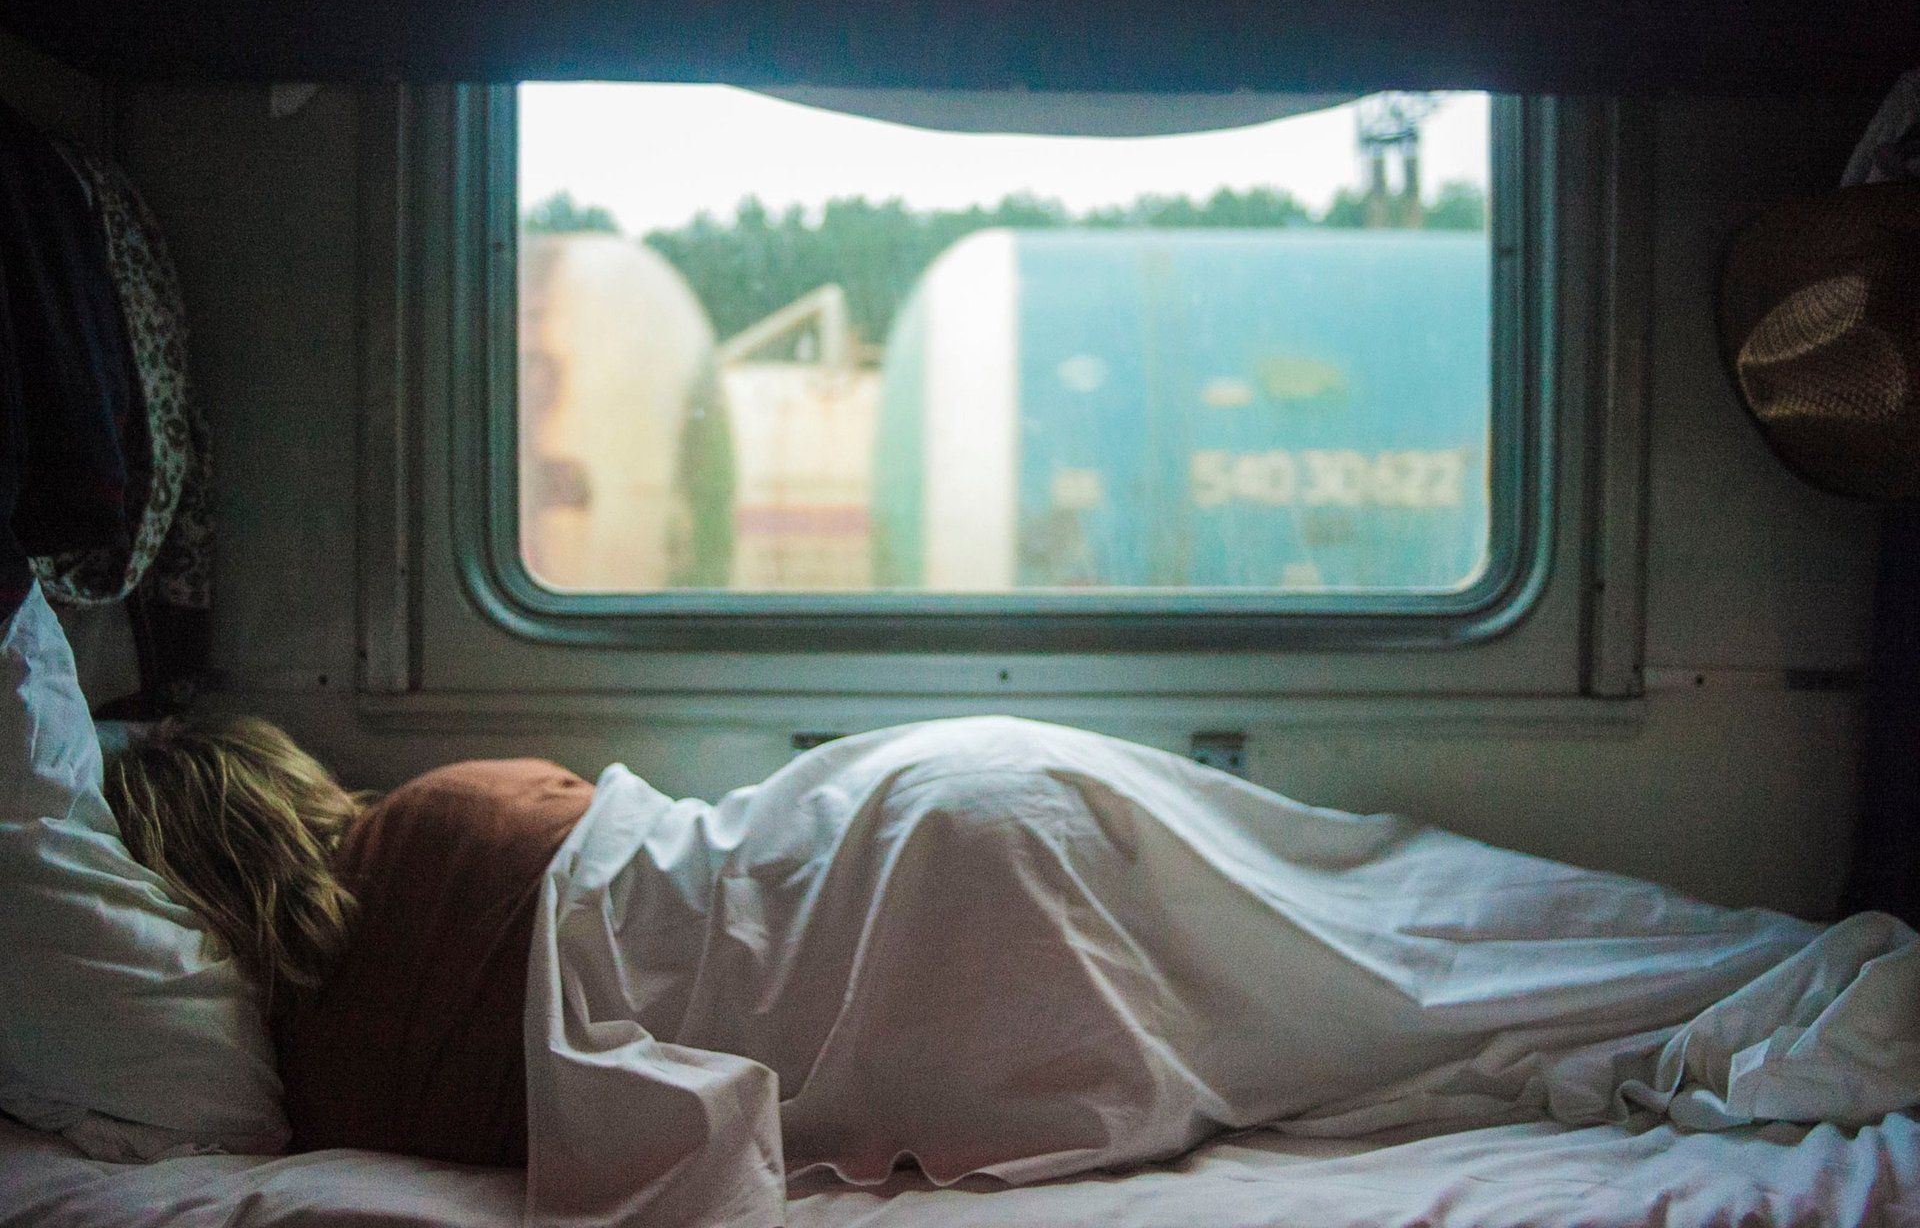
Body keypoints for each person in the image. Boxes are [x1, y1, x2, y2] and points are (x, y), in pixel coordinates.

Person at [102, 710, 1920, 1208]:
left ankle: (1771, 1019)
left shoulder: (315, 1082)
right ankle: (1791, 974)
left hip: (913, 983)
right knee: (1396, 919)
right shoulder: (451, 807)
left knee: (1372, 1044)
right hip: (925, 806)